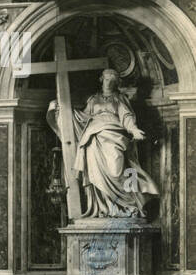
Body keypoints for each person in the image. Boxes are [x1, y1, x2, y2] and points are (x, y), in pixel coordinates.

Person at [48, 68, 158, 218]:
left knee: (116, 170)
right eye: (107, 79)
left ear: (117, 83)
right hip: (93, 139)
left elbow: (127, 116)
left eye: (113, 80)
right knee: (96, 174)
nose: (109, 82)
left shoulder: (120, 99)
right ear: (101, 80)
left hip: (114, 136)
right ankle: (105, 208)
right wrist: (64, 111)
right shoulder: (93, 99)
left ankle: (129, 204)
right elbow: (83, 117)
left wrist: (134, 130)